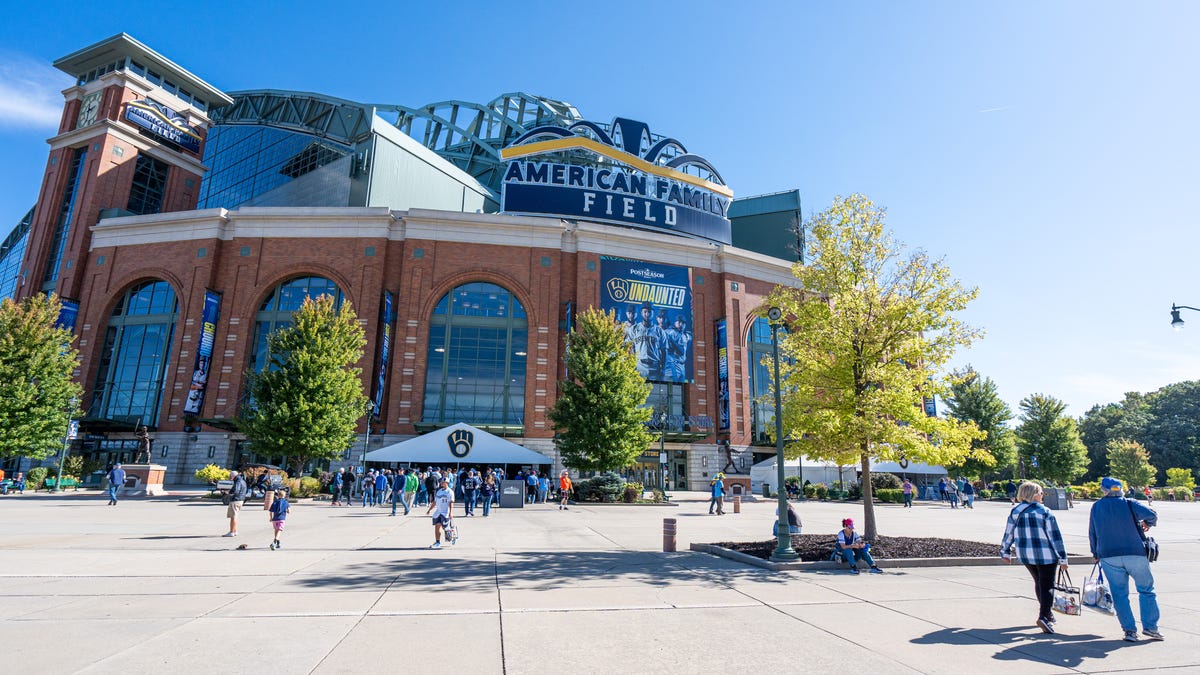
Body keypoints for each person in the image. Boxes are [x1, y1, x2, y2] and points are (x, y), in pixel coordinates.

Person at [1089, 477, 1162, 642]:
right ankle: (1151, 628)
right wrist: (1147, 523)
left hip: (1108, 554)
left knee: (1120, 594)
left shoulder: (1097, 506)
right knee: (1146, 590)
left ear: (1104, 490)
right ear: (1121, 489)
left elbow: (1092, 531)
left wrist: (1095, 552)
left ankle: (1129, 631)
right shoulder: (1130, 503)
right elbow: (1152, 515)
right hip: (1135, 552)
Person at [1000, 481, 1069, 634]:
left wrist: (1005, 551)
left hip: (1026, 554)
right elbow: (1055, 537)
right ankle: (1044, 615)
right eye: (1041, 492)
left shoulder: (1016, 511)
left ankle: (1048, 614)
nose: (1042, 495)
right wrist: (1063, 558)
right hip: (1046, 555)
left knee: (1039, 582)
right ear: (1035, 494)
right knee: (1047, 585)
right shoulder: (1044, 512)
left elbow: (1008, 533)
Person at [426, 478, 455, 549]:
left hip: (445, 512)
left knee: (445, 528)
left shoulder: (450, 492)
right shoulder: (439, 491)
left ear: (447, 483)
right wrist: (429, 510)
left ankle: (452, 533)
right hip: (438, 512)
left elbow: (451, 503)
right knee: (437, 526)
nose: (442, 483)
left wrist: (451, 513)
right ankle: (438, 542)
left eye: (444, 482)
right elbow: (435, 502)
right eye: (441, 482)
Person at [224, 470, 248, 537]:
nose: (230, 477)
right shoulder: (242, 480)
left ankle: (232, 532)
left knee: (233, 517)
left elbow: (236, 490)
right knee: (235, 516)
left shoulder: (237, 481)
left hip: (236, 500)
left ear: (233, 475)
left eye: (230, 476)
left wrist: (228, 493)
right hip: (241, 500)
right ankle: (235, 531)